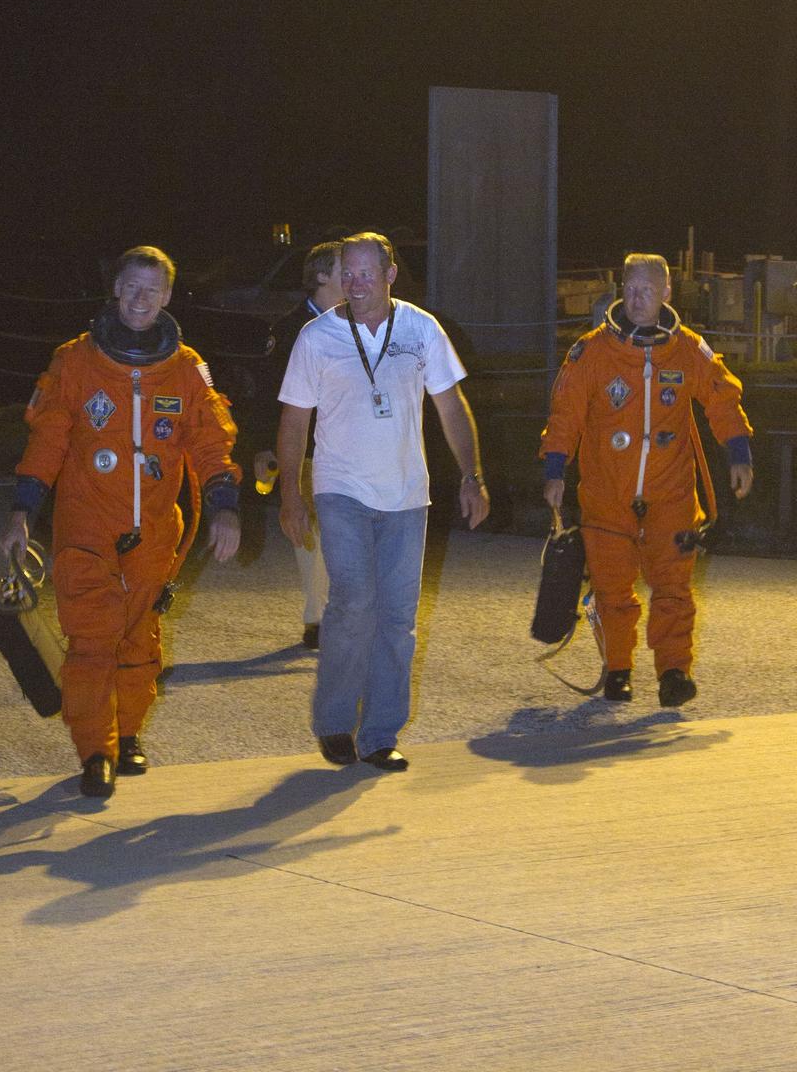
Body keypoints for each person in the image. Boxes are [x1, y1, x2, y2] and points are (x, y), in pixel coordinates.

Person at [0, 245, 242, 798]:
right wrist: (22, 510)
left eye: (151, 289)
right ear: (115, 288)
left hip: (154, 528)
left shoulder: (186, 369)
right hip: (86, 527)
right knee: (91, 640)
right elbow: (47, 441)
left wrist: (225, 508)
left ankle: (127, 733)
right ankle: (95, 751)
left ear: (168, 296)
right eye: (131, 286)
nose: (139, 299)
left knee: (138, 637)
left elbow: (211, 442)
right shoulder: (75, 362)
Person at [276, 231, 490, 771]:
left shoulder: (421, 328)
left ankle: (379, 734)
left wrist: (472, 476)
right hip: (340, 488)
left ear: (390, 275)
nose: (355, 284)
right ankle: (335, 723)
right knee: (353, 602)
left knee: (397, 617)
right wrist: (290, 495)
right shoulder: (316, 338)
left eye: (366, 274)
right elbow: (294, 420)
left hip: (407, 494)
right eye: (347, 273)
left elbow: (451, 406)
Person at [540, 252, 753, 705]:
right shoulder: (593, 352)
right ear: (622, 289)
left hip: (671, 493)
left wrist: (739, 452)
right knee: (612, 587)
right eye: (631, 290)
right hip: (607, 494)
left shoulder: (687, 349)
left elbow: (722, 397)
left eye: (648, 291)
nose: (637, 300)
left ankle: (674, 672)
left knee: (673, 586)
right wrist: (555, 468)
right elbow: (565, 414)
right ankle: (618, 669)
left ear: (666, 293)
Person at [252, 240, 343, 649]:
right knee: (310, 534)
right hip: (306, 449)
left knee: (343, 533)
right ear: (321, 275)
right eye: (343, 268)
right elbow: (269, 392)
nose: (353, 277)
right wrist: (264, 446)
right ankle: (317, 618)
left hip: (347, 446)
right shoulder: (291, 330)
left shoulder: (355, 323)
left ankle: (340, 610)